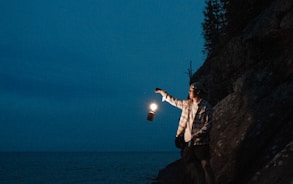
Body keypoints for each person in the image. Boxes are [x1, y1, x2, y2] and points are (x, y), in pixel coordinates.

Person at [155, 82, 215, 184]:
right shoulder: (187, 104)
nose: (189, 92)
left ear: (198, 92)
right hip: (188, 142)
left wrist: (197, 135)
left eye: (191, 90)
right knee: (195, 167)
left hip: (201, 142)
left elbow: (208, 124)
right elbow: (174, 101)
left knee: (206, 166)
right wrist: (162, 92)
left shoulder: (206, 106)